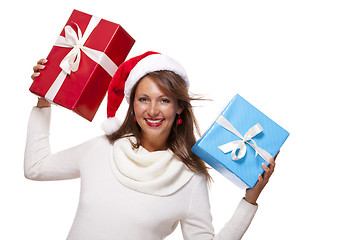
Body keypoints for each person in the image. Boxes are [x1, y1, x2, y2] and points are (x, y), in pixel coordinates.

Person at [25, 51, 276, 240]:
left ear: (179, 107)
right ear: (132, 105)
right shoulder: (100, 149)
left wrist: (249, 201)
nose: (153, 110)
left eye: (164, 100)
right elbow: (35, 168)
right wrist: (43, 102)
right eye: (143, 99)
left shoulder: (190, 177)